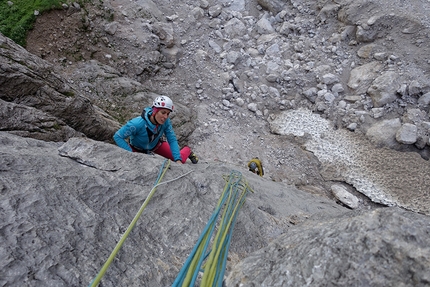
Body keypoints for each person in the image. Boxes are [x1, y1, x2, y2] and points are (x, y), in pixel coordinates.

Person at [113, 95, 199, 164]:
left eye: (168, 114)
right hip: (136, 149)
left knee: (181, 159)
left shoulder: (166, 122)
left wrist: (177, 159)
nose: (165, 117)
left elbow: (171, 139)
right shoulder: (137, 124)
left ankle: (187, 150)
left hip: (157, 146)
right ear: (154, 111)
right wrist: (131, 153)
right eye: (163, 112)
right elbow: (118, 136)